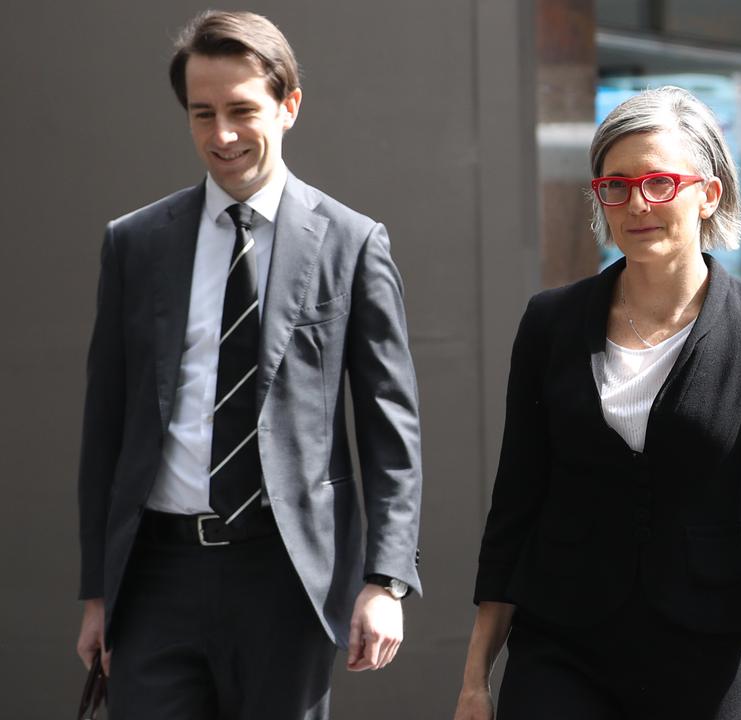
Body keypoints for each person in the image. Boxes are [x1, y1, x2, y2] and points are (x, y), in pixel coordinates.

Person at [453, 86, 741, 720]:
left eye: (660, 182)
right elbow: (516, 503)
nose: (637, 203)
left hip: (708, 649)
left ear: (709, 193)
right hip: (562, 645)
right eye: (616, 186)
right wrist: (476, 677)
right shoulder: (550, 323)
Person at [73, 11, 423, 719]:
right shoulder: (135, 244)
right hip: (157, 575)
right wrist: (97, 593)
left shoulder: (352, 244)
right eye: (203, 114)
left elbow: (391, 427)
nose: (222, 135)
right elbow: (105, 425)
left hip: (286, 575)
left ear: (289, 105)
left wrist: (385, 580)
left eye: (241, 110)